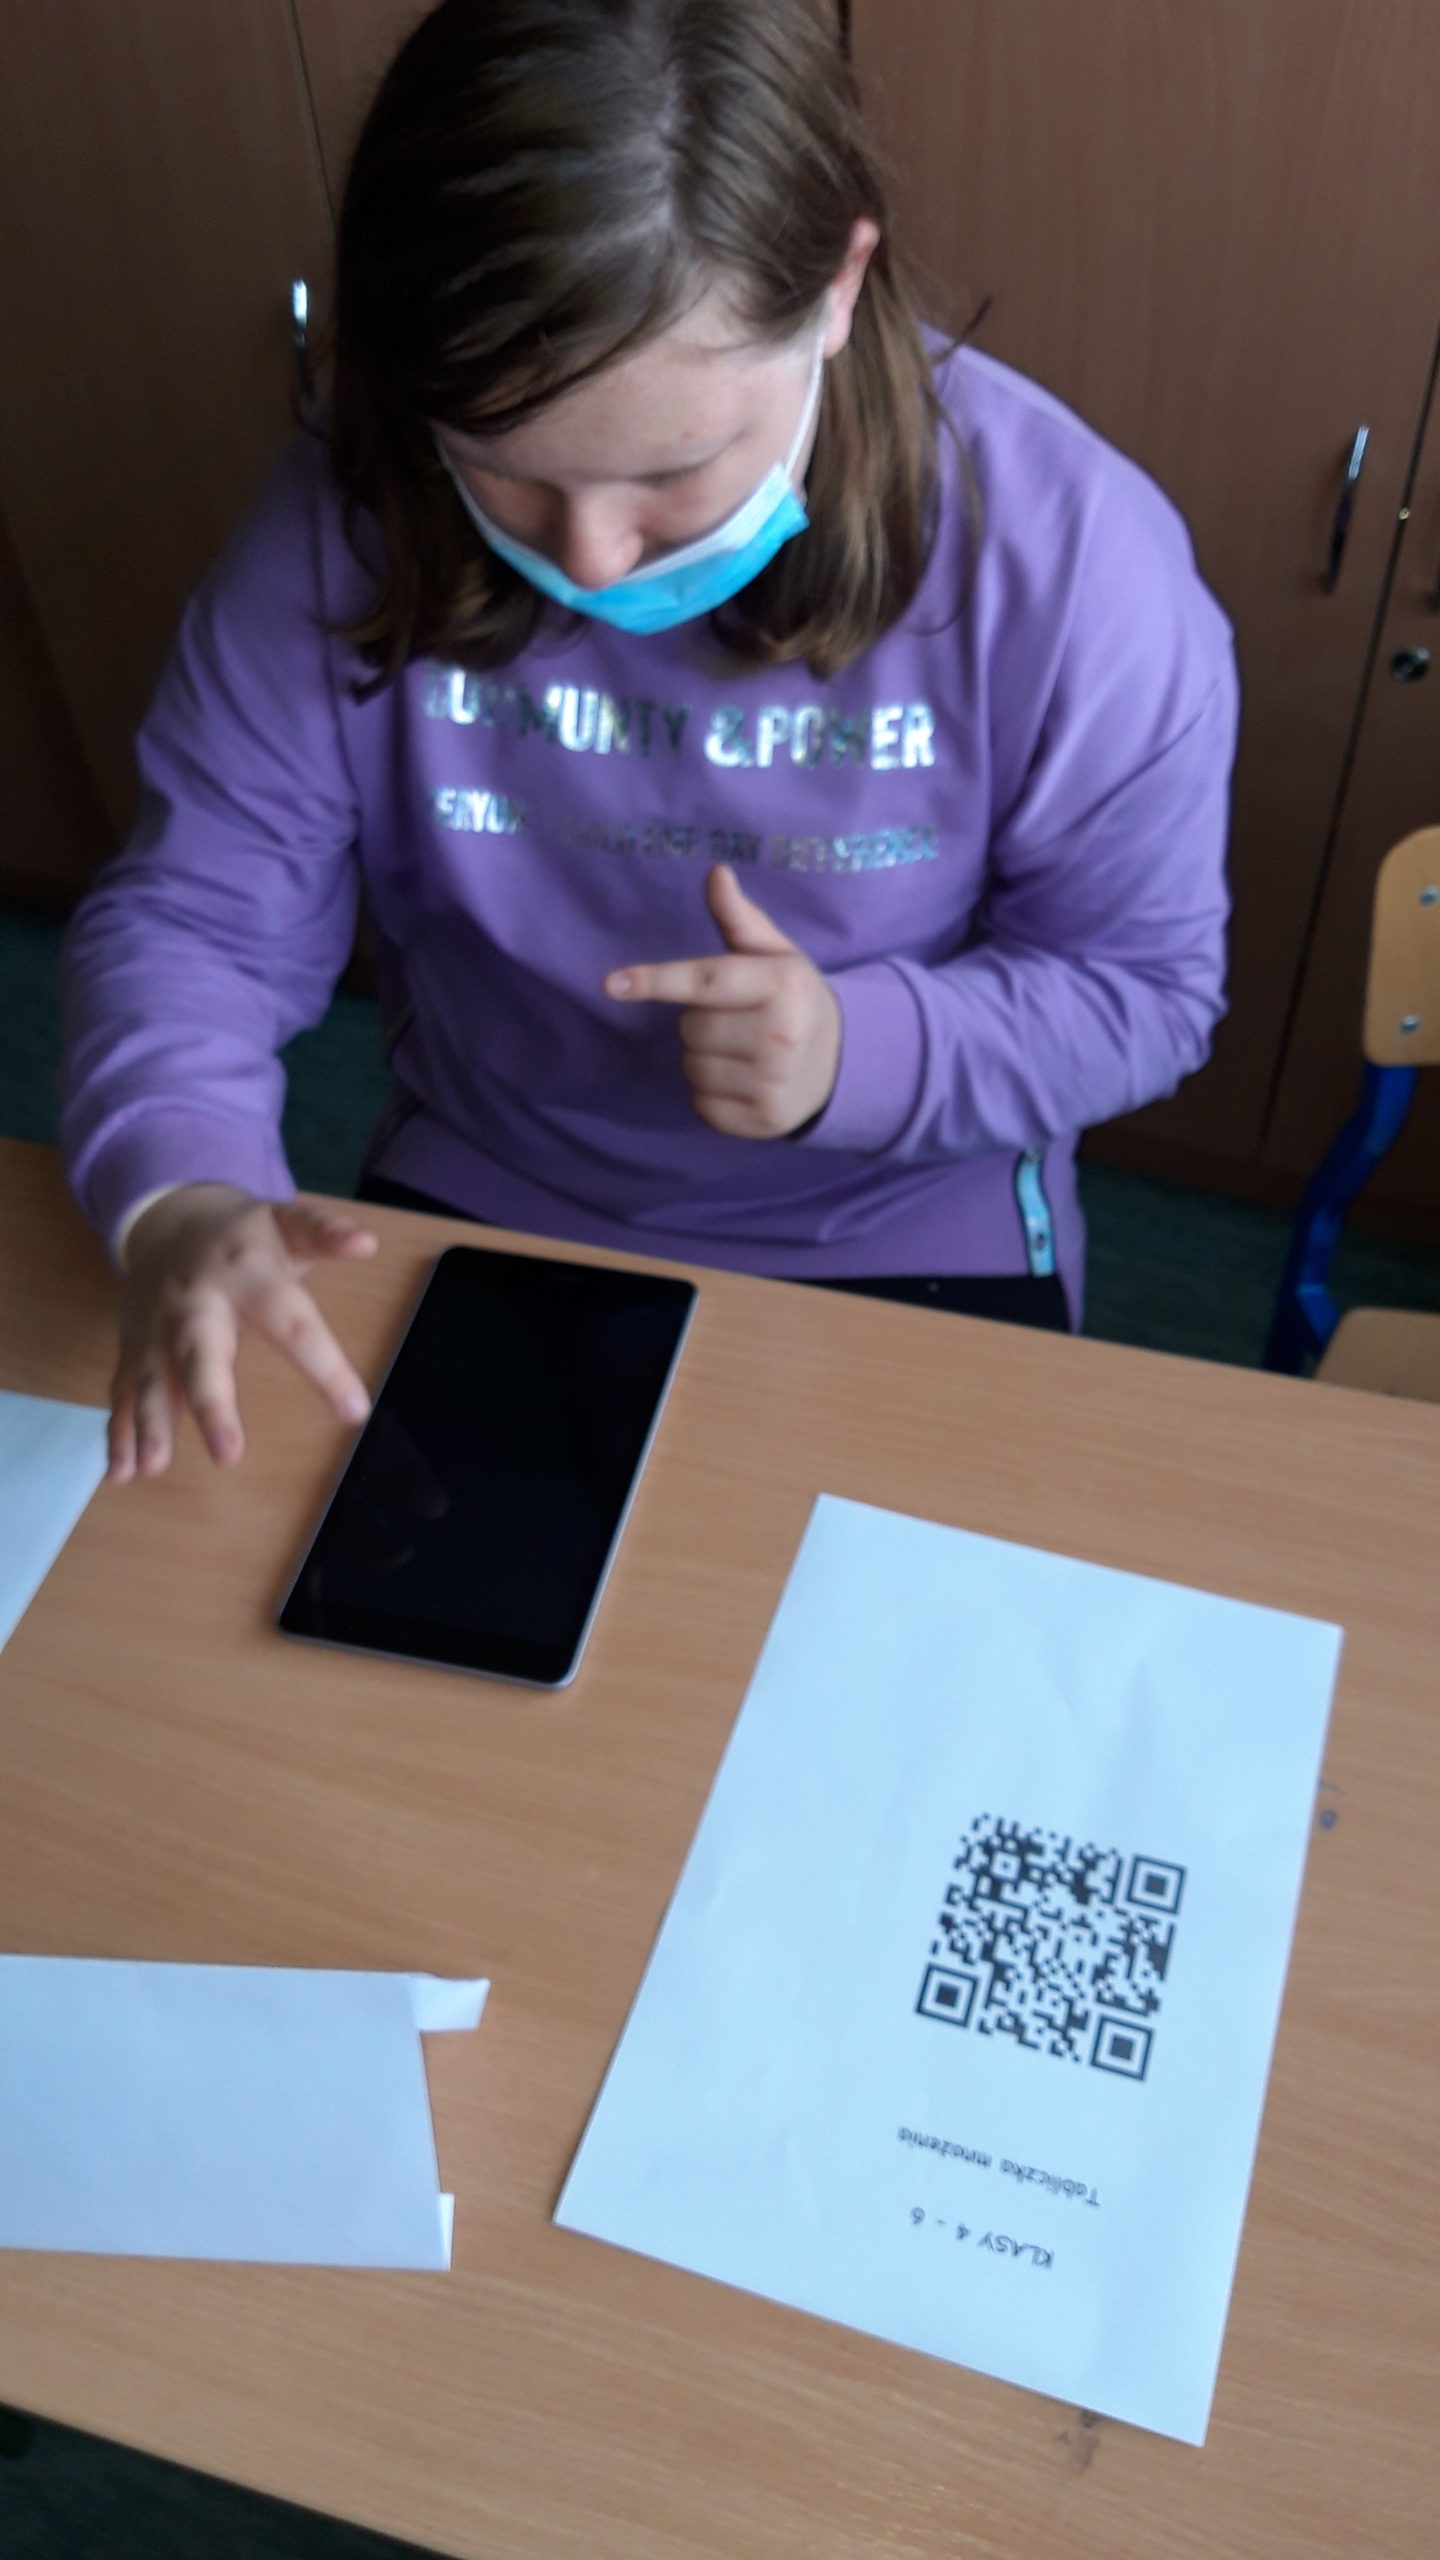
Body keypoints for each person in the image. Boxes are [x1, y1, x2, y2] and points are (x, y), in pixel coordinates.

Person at [61, 0, 1237, 1484]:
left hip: (902, 1212)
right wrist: (178, 1184)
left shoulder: (1075, 563)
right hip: (492, 1183)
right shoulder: (347, 519)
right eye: (502, 467)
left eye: (678, 472)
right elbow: (200, 918)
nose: (593, 559)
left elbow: (1141, 991)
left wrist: (856, 1055)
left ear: (837, 288)